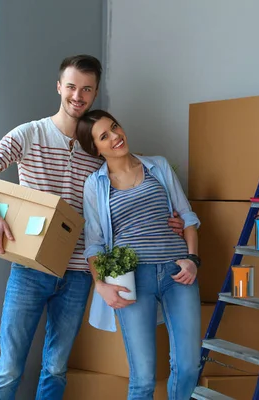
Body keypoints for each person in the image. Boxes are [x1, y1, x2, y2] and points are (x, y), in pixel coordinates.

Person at [0, 56, 184, 400]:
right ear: (59, 87)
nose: (77, 96)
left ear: (95, 93)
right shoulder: (30, 133)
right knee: (9, 367)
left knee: (55, 367)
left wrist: (169, 221)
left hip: (79, 272)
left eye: (86, 89)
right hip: (29, 268)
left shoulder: (96, 150)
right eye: (71, 87)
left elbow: (130, 192)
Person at [77, 109, 202, 400]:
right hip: (131, 280)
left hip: (178, 273)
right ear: (95, 148)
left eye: (115, 127)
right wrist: (101, 284)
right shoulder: (95, 185)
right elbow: (94, 243)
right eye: (104, 136)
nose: (116, 136)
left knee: (187, 367)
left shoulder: (157, 166)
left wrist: (193, 259)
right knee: (143, 378)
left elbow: (188, 217)